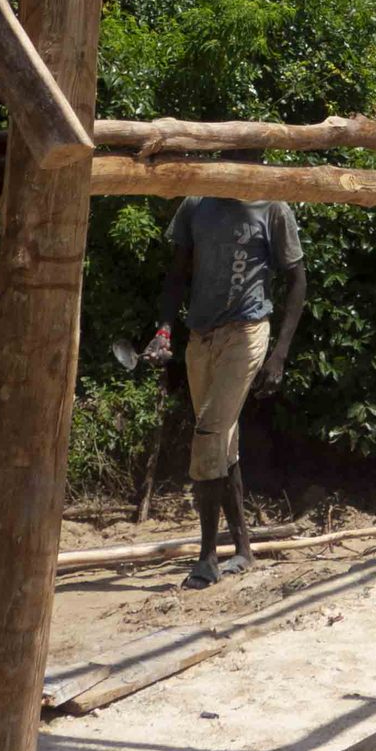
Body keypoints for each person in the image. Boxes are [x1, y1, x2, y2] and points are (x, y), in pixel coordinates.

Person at [150, 194, 308, 589]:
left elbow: (297, 279)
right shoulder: (195, 205)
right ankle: (243, 549)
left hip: (247, 332)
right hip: (201, 335)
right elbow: (176, 273)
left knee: (207, 435)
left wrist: (280, 354)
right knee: (224, 440)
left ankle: (206, 559)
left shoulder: (273, 208)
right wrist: (164, 328)